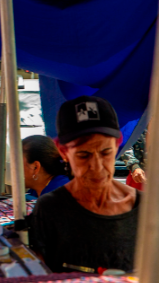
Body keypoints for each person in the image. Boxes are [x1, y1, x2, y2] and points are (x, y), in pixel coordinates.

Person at [20, 96, 140, 273]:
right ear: (64, 152)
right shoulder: (49, 208)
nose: (97, 167)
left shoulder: (145, 208)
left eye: (105, 152)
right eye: (84, 155)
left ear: (117, 145)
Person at [22, 135, 71, 202]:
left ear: (35, 167)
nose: (13, 170)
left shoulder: (60, 196)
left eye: (18, 164)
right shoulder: (35, 190)